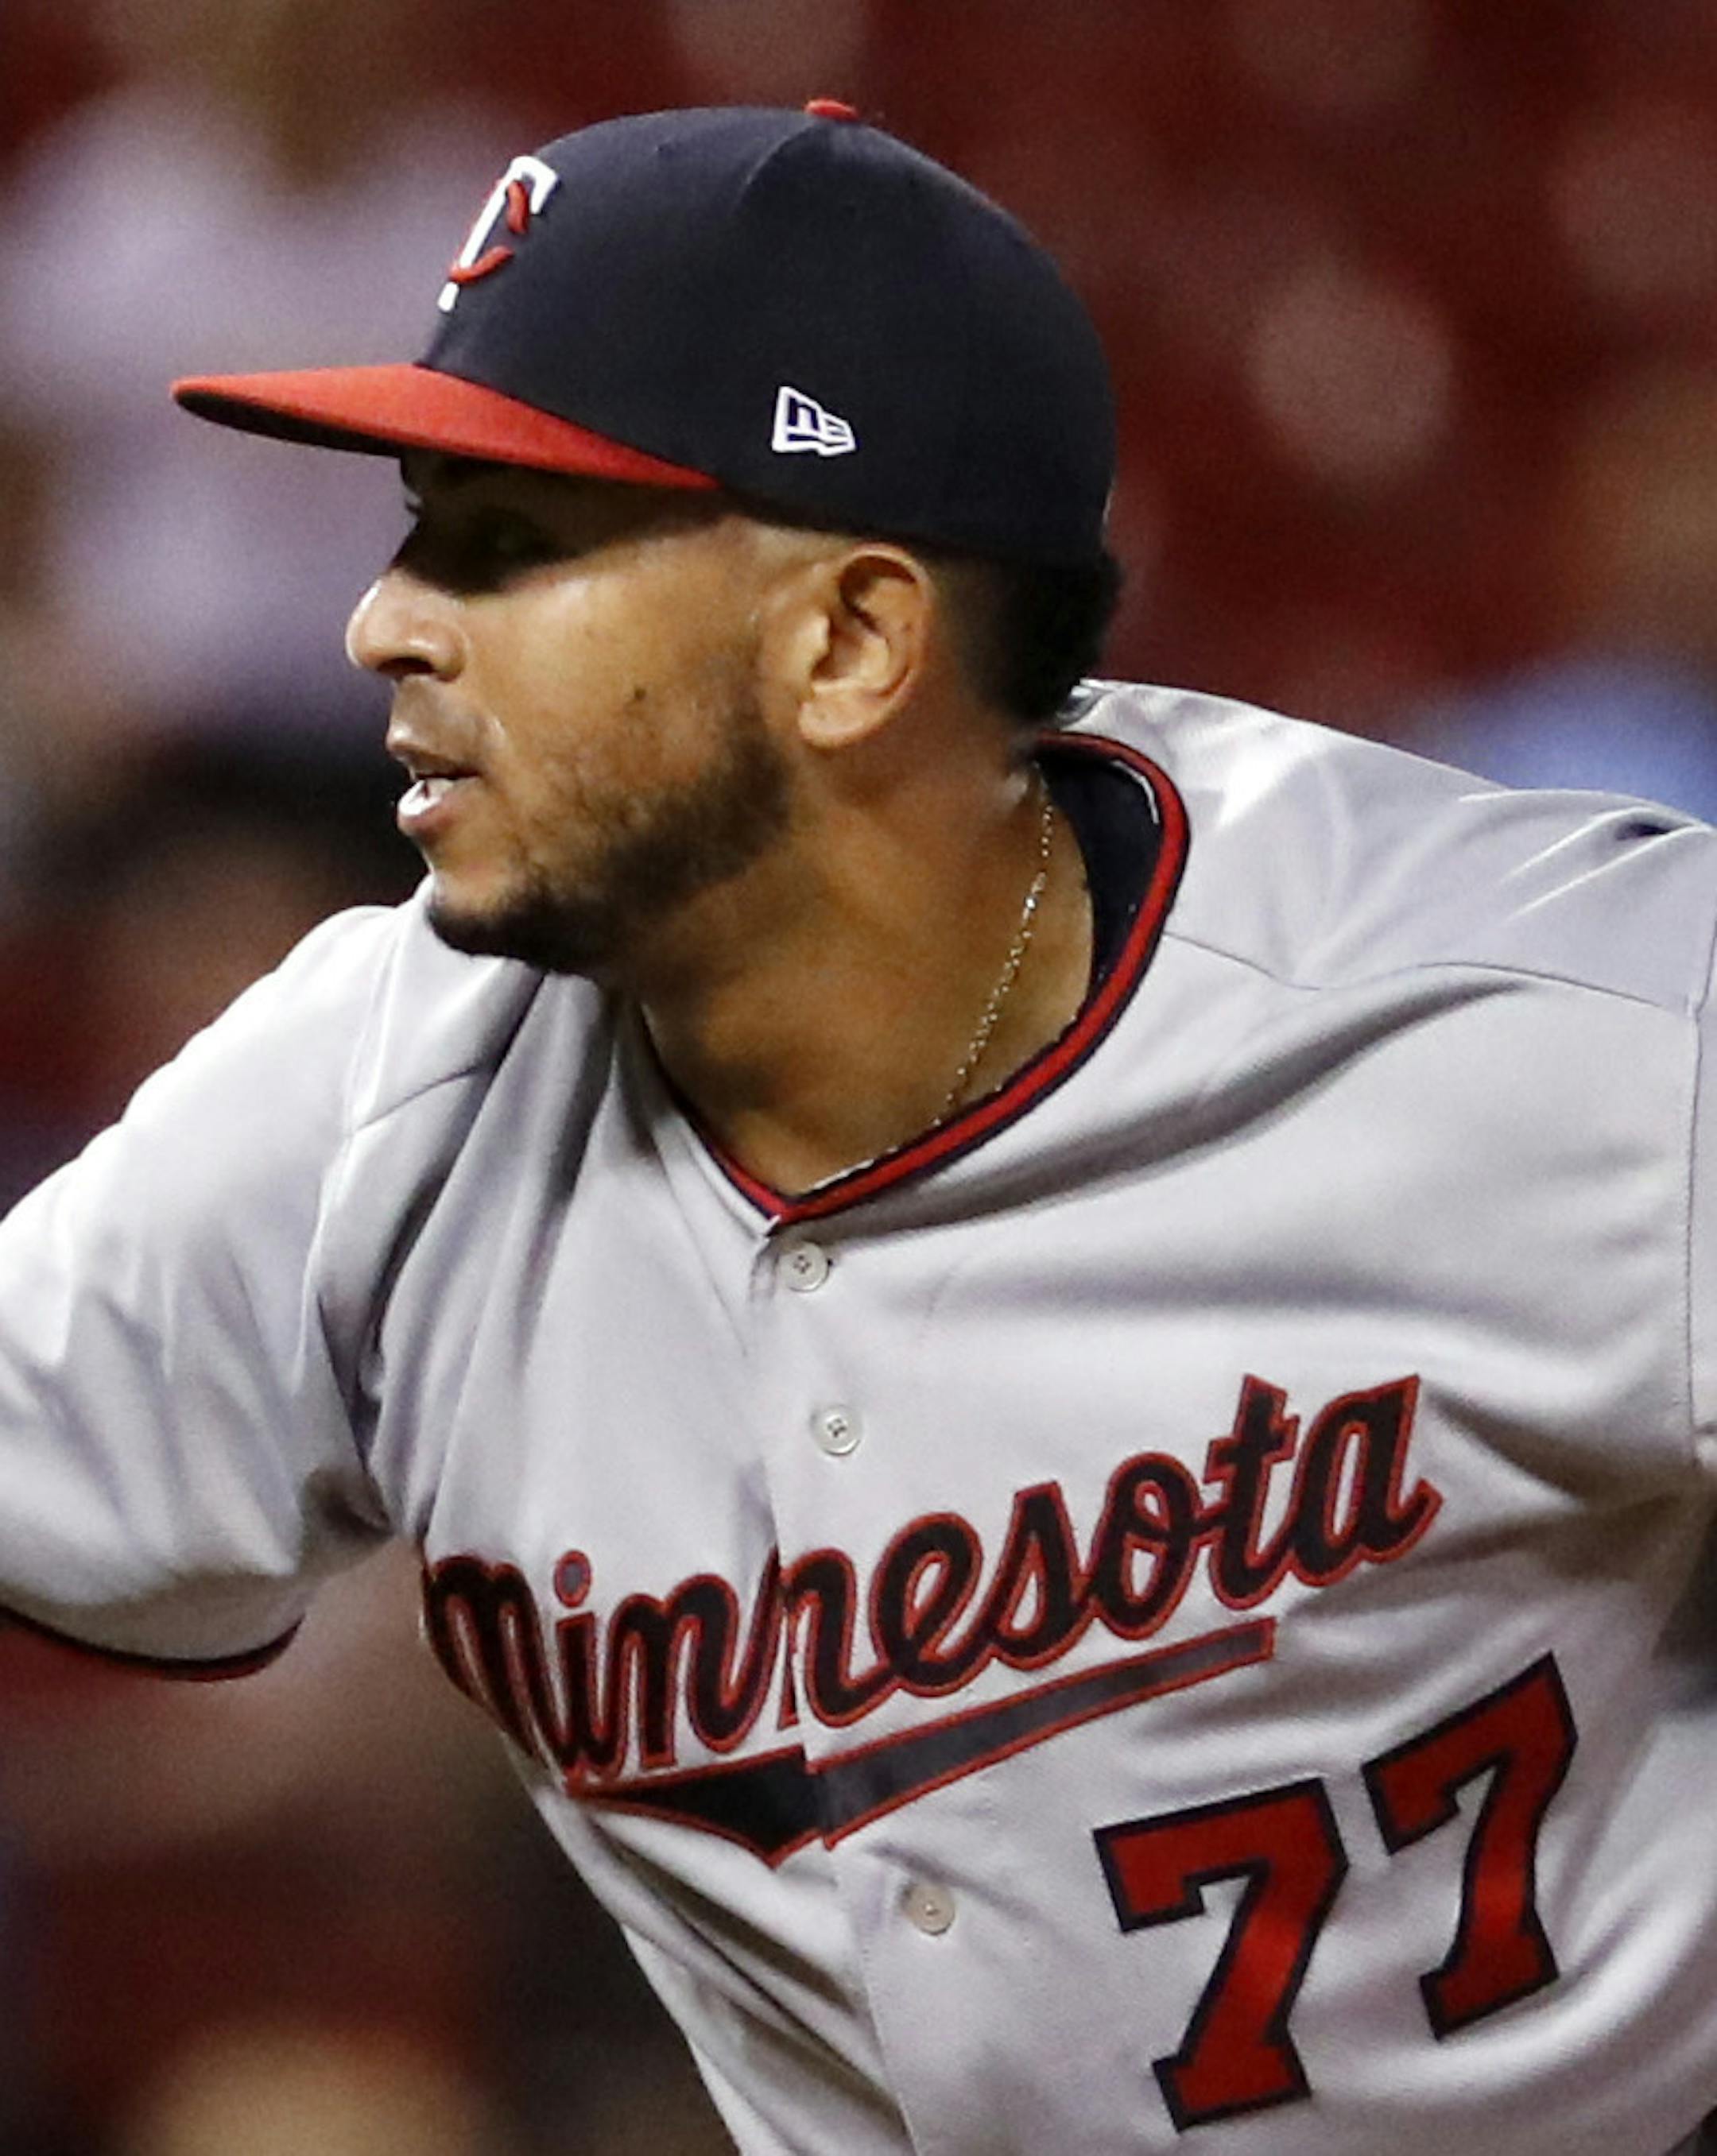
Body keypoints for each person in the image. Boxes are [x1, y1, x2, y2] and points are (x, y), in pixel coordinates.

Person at [2, 99, 1715, 2156]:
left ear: (849, 641)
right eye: (411, 523)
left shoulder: (1563, 1032)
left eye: (508, 545)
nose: (385, 622)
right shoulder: (372, 1101)